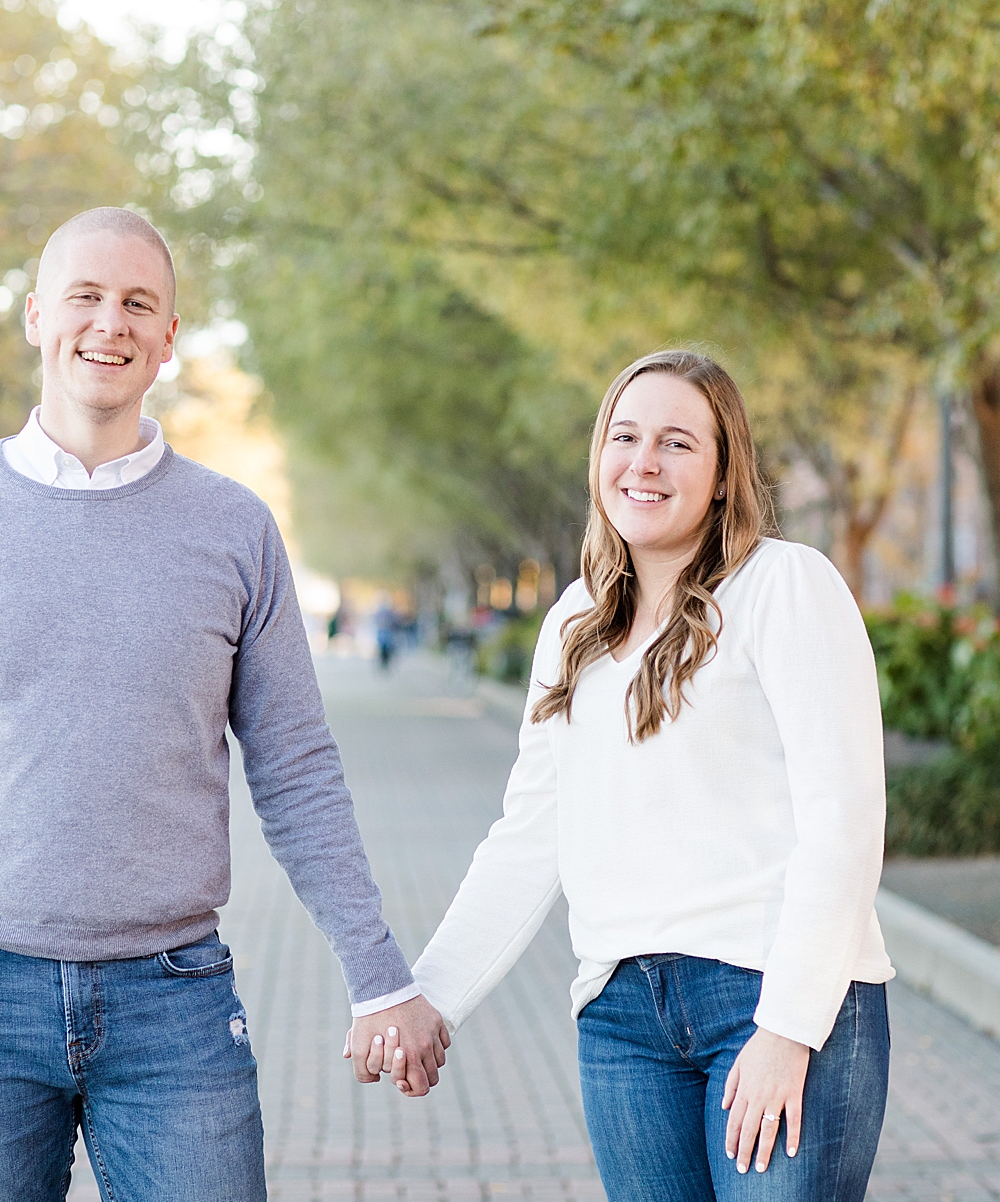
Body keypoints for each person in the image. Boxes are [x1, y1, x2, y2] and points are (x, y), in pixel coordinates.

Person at [0, 207, 447, 1202]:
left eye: (137, 303)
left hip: (174, 1000)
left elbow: (295, 764)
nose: (108, 323)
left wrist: (380, 972)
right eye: (85, 297)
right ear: (35, 317)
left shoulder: (235, 529)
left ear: (167, 339)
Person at [378, 349, 894, 1200]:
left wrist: (789, 1028)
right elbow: (530, 836)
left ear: (726, 474)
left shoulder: (784, 586)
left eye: (677, 443)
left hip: (769, 997)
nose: (643, 462)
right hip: (623, 1018)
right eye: (624, 436)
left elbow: (842, 823)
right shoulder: (573, 623)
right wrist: (431, 995)